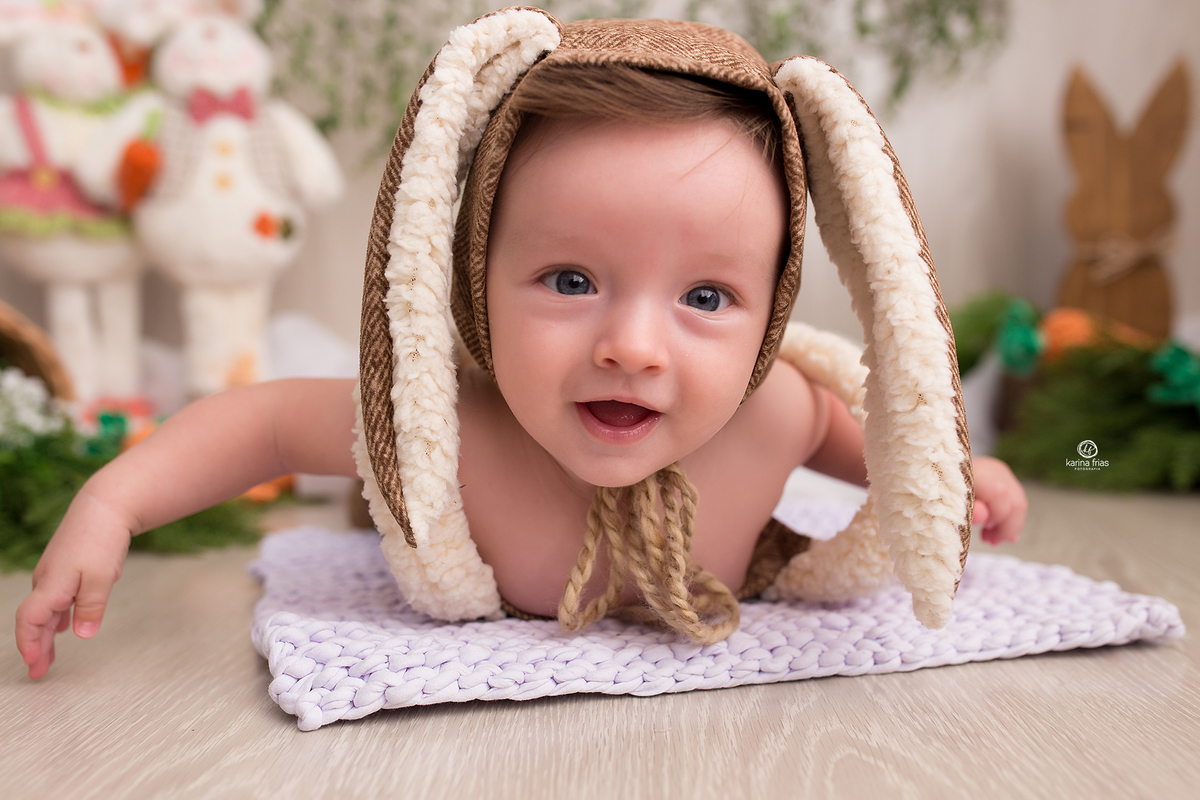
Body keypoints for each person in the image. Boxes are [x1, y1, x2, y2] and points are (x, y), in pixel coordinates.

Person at [16, 10, 1027, 681]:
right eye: (571, 280)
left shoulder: (776, 415)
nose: (631, 345)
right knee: (375, 494)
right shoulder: (451, 428)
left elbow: (878, 446)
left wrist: (956, 471)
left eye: (707, 295)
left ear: (771, 319)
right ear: (472, 284)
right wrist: (115, 501)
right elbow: (267, 421)